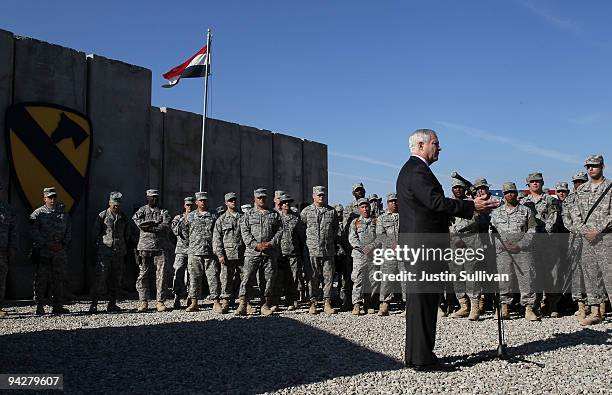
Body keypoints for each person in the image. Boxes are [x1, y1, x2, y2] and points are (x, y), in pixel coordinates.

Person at [396, 129, 497, 371]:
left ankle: (416, 355)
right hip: (423, 247)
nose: (439, 148)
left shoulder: (412, 169)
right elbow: (436, 202)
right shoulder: (417, 170)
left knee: (421, 302)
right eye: (436, 143)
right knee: (424, 302)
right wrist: (471, 206)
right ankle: (422, 359)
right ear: (421, 145)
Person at [570, 155, 611, 325]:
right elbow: (575, 213)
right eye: (588, 166)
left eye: (594, 166)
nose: (591, 169)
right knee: (591, 275)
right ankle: (596, 311)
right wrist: (585, 231)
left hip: (606, 237)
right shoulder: (581, 190)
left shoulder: (610, 187)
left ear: (602, 166)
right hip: (587, 238)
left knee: (609, 275)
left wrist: (598, 230)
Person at [491, 182, 539, 321]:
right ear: (504, 195)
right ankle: (504, 307)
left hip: (522, 251)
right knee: (504, 279)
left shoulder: (526, 211)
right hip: (503, 251)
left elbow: (532, 230)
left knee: (527, 279)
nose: (510, 194)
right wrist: (501, 245)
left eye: (512, 192)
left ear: (516, 193)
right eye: (506, 192)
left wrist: (521, 244)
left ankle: (529, 308)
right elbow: (492, 232)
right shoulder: (496, 212)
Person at [520, 172, 561, 317]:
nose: (535, 183)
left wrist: (543, 233)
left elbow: (553, 218)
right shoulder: (524, 202)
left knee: (551, 273)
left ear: (542, 183)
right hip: (531, 243)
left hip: (547, 241)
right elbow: (522, 222)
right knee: (533, 273)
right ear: (528, 185)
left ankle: (552, 304)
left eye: (538, 181)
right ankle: (534, 305)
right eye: (532, 182)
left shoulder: (550, 200)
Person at [236, 188, 283, 316]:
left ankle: (265, 304)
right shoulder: (248, 214)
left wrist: (271, 243)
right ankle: (243, 304)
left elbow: (280, 231)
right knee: (247, 278)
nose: (261, 200)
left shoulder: (274, 214)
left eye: (263, 197)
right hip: (252, 252)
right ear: (254, 199)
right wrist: (255, 245)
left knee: (268, 279)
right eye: (259, 198)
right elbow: (244, 232)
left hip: (269, 252)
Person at [30, 187, 72, 315]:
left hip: (59, 252)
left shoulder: (63, 214)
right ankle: (40, 306)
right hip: (44, 252)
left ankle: (57, 305)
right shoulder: (37, 214)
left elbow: (68, 231)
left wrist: (62, 244)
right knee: (41, 279)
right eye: (50, 197)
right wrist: (47, 244)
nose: (52, 199)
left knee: (59, 279)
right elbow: (33, 232)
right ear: (44, 199)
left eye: (54, 197)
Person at [300, 186, 339, 315]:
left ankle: (327, 303)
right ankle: (313, 303)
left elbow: (334, 229)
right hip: (311, 250)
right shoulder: (306, 212)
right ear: (313, 196)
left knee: (328, 278)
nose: (321, 197)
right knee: (313, 278)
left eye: (322, 195)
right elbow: (302, 229)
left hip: (328, 250)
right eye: (318, 195)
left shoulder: (331, 212)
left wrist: (328, 240)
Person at [90, 191, 129, 313]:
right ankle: (94, 304)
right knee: (100, 278)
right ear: (109, 203)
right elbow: (95, 234)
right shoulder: (102, 216)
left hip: (119, 252)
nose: (116, 207)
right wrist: (98, 248)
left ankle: (112, 303)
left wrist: (124, 246)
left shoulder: (123, 216)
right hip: (105, 252)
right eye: (114, 205)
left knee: (116, 279)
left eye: (118, 205)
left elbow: (126, 234)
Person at [132, 189, 171, 312]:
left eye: (156, 197)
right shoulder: (141, 211)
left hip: (160, 248)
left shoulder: (163, 212)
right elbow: (139, 224)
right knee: (143, 274)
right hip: (144, 247)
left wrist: (151, 227)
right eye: (152, 197)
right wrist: (154, 226)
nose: (154, 199)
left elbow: (166, 226)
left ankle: (160, 301)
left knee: (161, 275)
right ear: (147, 198)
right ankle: (143, 301)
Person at [180, 192, 220, 313]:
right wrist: (191, 245)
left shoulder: (214, 215)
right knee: (194, 278)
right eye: (200, 200)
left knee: (213, 277)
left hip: (210, 252)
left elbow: (218, 232)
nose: (203, 202)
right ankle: (194, 302)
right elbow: (184, 233)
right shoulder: (190, 216)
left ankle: (216, 301)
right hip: (194, 252)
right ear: (196, 202)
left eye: (204, 200)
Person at [213, 192, 245, 313]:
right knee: (226, 279)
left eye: (234, 200)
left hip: (242, 254)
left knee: (244, 279)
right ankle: (225, 301)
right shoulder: (221, 220)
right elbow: (216, 239)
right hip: (227, 255)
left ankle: (244, 302)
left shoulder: (243, 217)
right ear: (226, 203)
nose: (233, 202)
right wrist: (220, 254)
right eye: (230, 200)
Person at [276, 193, 305, 310]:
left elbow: (301, 237)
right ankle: (276, 301)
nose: (287, 204)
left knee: (293, 277)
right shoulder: (276, 217)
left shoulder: (295, 219)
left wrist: (302, 252)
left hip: (293, 252)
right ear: (281, 205)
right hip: (279, 253)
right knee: (278, 278)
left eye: (288, 202)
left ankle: (291, 299)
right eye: (284, 202)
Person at [348, 198, 377, 315]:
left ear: (370, 208)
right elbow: (352, 238)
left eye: (366, 207)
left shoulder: (376, 221)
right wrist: (362, 248)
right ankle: (357, 304)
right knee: (358, 279)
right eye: (362, 207)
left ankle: (369, 304)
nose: (365, 209)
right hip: (359, 256)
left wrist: (371, 247)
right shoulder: (355, 222)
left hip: (373, 255)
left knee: (372, 280)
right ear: (359, 209)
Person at [376, 192, 403, 317]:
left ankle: (408, 304)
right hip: (389, 253)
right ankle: (385, 304)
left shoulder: (406, 216)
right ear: (388, 203)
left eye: (396, 201)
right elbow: (380, 235)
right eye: (391, 201)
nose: (394, 203)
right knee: (387, 279)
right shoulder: (382, 218)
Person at [171, 197, 194, 309]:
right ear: (184, 206)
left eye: (191, 205)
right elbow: (175, 231)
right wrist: (182, 220)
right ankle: (177, 296)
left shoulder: (196, 217)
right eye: (188, 205)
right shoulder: (178, 218)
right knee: (178, 273)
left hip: (193, 250)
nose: (189, 207)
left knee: (192, 275)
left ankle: (191, 297)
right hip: (181, 250)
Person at [0, 182, 17, 318]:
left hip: (2, 251)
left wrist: (12, 248)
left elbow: (13, 231)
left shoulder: (7, 210)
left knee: (1, 280)